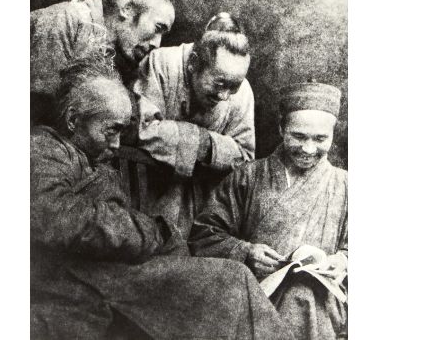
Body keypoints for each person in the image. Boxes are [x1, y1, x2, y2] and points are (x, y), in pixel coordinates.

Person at [31, 54, 295, 340]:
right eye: (111, 130)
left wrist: (156, 235)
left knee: (231, 277)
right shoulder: (44, 149)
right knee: (229, 280)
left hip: (112, 269)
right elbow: (55, 217)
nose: (118, 144)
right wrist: (146, 231)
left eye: (122, 131)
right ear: (72, 119)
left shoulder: (91, 158)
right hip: (79, 275)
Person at [189, 81, 348, 340]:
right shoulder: (247, 177)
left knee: (301, 297)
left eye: (320, 139)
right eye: (298, 136)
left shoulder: (346, 185)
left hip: (321, 304)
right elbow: (203, 234)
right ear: (281, 128)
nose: (309, 149)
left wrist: (341, 261)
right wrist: (245, 251)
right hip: (250, 292)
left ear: (333, 135)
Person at [133, 12, 255, 239]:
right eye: (219, 83)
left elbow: (245, 158)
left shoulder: (243, 90)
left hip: (203, 202)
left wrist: (206, 145)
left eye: (233, 87)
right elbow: (143, 129)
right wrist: (205, 143)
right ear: (194, 64)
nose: (225, 95)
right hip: (148, 189)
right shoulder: (162, 62)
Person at [30, 0, 176, 125]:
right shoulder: (63, 20)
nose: (157, 44)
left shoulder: (117, 52)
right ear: (127, 9)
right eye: (158, 28)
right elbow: (39, 109)